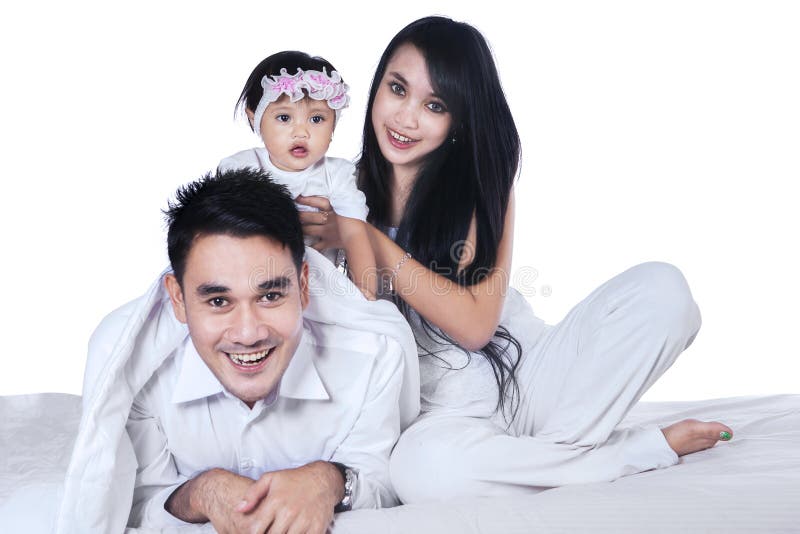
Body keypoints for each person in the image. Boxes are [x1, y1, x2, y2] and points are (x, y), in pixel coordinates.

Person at [295, 16, 734, 504]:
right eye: (397, 89)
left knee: (665, 291)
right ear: (377, 86)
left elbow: (477, 325)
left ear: (458, 121)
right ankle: (623, 455)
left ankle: (532, 462)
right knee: (420, 474)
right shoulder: (336, 191)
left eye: (434, 105)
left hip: (529, 377)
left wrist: (371, 242)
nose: (406, 118)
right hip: (437, 418)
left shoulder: (481, 185)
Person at [122, 168, 410, 532]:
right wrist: (201, 492)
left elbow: (385, 486)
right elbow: (134, 505)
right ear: (178, 299)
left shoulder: (373, 360)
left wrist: (328, 480)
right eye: (218, 301)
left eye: (271, 296)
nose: (248, 333)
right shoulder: (141, 378)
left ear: (304, 286)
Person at [218, 50, 377, 300]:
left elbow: (354, 233)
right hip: (250, 285)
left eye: (316, 118)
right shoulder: (242, 168)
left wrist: (365, 291)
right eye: (284, 118)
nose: (301, 132)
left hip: (318, 290)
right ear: (255, 119)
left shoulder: (337, 174)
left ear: (334, 124)